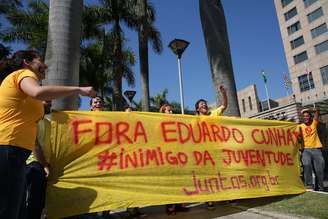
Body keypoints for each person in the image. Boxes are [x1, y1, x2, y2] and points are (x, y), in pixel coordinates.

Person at [0, 50, 96, 219]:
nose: (45, 65)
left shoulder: (22, 88)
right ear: (27, 62)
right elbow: (38, 93)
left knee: (19, 210)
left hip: (16, 152)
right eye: (40, 61)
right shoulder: (23, 73)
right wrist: (78, 89)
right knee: (9, 209)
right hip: (9, 148)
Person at [194, 85, 228, 210]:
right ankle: (209, 200)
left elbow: (224, 105)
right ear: (197, 108)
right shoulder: (195, 120)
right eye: (201, 104)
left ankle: (223, 196)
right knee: (207, 177)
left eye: (205, 104)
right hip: (204, 153)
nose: (204, 105)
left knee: (220, 174)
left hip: (217, 150)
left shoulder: (214, 113)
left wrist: (223, 93)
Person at [20, 100, 52, 219]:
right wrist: (44, 165)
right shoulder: (32, 119)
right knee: (33, 203)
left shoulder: (48, 123)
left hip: (43, 165)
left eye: (51, 103)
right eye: (47, 102)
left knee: (38, 203)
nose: (50, 104)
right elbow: (35, 144)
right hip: (34, 164)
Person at [159, 103, 189, 215]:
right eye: (169, 110)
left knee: (180, 182)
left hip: (178, 157)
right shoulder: (159, 123)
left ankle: (179, 205)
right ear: (163, 112)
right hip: (167, 158)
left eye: (172, 110)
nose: (171, 112)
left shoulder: (177, 123)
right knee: (170, 183)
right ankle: (170, 207)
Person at [298, 108, 325, 192]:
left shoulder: (314, 123)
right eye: (304, 116)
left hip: (316, 149)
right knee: (307, 165)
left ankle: (320, 187)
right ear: (302, 118)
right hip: (305, 150)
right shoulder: (299, 126)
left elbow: (317, 111)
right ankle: (309, 186)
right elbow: (294, 135)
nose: (305, 117)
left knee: (319, 169)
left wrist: (306, 109)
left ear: (310, 117)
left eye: (307, 116)